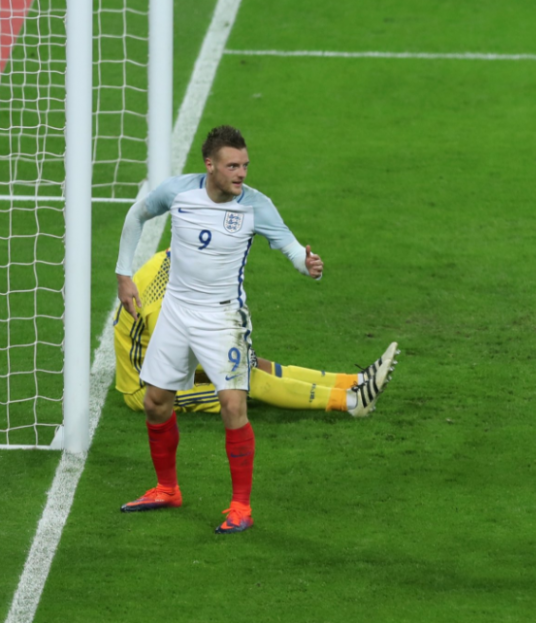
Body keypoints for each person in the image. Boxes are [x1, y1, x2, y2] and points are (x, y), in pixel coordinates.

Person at [115, 125, 396, 534]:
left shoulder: (256, 206)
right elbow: (137, 214)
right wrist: (124, 274)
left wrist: (308, 266)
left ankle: (241, 507)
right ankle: (166, 488)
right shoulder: (177, 192)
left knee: (233, 405)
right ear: (209, 165)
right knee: (156, 402)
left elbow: (291, 247)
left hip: (222, 318)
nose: (241, 173)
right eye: (232, 166)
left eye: (245, 165)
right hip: (176, 312)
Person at [114, 249, 398, 417]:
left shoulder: (173, 260)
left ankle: (356, 380)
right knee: (245, 381)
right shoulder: (162, 305)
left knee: (251, 364)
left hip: (165, 360)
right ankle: (352, 402)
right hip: (149, 388)